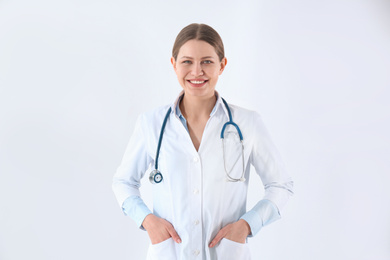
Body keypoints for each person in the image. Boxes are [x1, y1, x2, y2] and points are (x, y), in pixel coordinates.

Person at [112, 23, 293, 260]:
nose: (196, 71)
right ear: (173, 64)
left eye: (207, 61)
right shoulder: (151, 124)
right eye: (187, 61)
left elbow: (281, 185)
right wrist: (147, 220)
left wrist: (248, 225)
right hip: (170, 253)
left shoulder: (247, 123)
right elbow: (123, 182)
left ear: (222, 65)